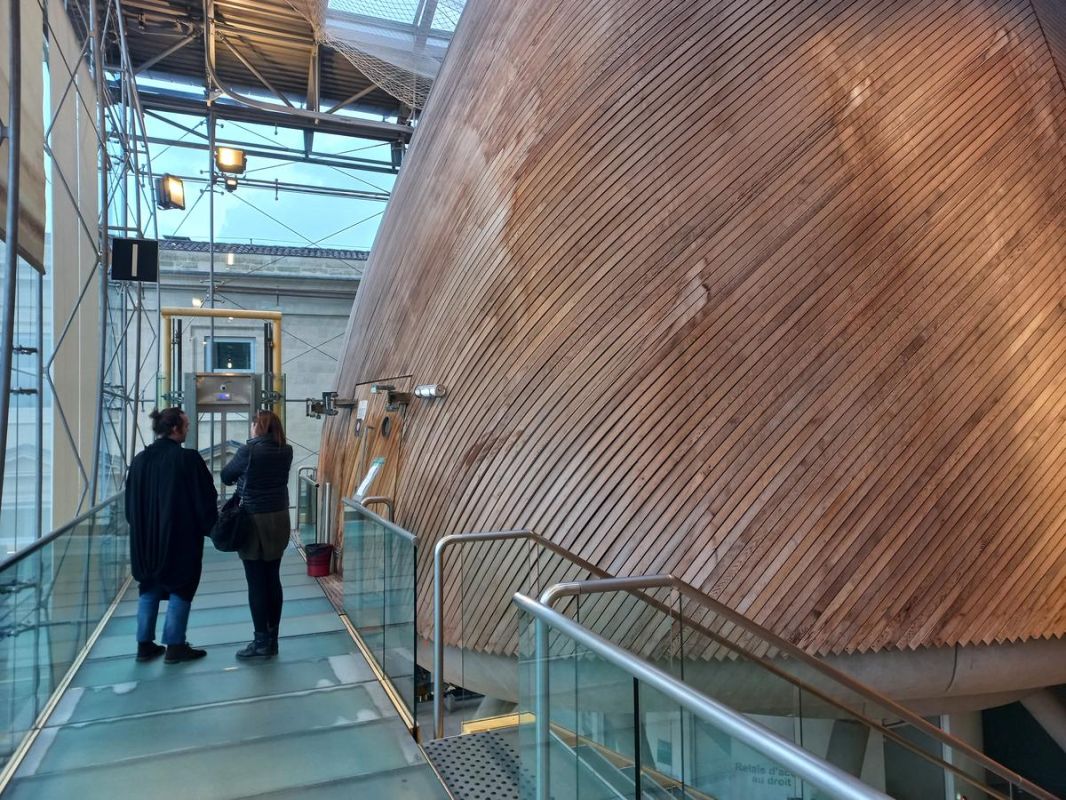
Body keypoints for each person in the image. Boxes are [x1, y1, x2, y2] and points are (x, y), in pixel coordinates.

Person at [125, 407, 218, 664]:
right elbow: (205, 498)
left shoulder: (140, 460)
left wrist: (140, 528)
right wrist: (209, 527)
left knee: (149, 586)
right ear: (175, 428)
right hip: (180, 538)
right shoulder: (187, 459)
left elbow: (130, 505)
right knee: (181, 587)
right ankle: (175, 645)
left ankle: (144, 644)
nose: (188, 428)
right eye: (186, 425)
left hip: (145, 540)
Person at [221, 409, 293, 659]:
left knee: (256, 581)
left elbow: (226, 476)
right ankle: (273, 639)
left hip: (254, 520)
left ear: (257, 427)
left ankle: (260, 641)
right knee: (273, 578)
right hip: (279, 518)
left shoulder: (248, 451)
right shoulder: (286, 450)